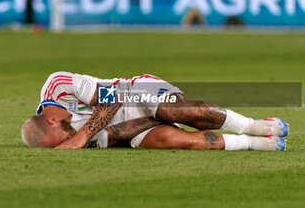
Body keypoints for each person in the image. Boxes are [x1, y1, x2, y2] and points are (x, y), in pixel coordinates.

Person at [21, 72, 288, 151]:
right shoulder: (70, 142)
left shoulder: (57, 85)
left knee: (172, 112)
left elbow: (111, 95)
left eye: (63, 139)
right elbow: (115, 134)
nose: (68, 143)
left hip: (138, 91)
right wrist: (149, 122)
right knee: (171, 140)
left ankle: (251, 125)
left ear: (53, 119)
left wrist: (81, 136)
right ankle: (250, 143)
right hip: (133, 126)